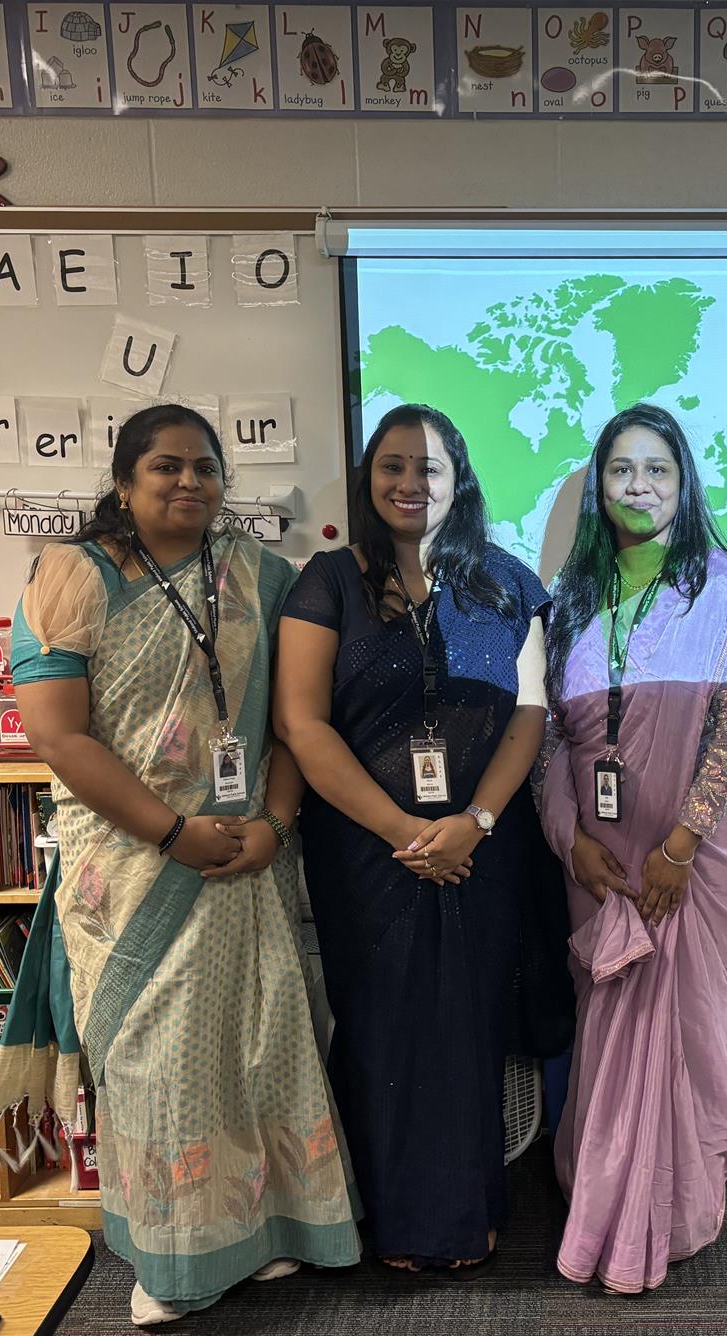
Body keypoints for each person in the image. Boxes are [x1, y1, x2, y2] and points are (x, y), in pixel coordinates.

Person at [0, 404, 359, 1327]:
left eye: (205, 467)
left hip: (245, 856)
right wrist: (170, 832)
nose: (189, 481)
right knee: (155, 1062)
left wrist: (275, 822)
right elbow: (60, 737)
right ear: (124, 482)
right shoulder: (72, 577)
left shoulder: (261, 576)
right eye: (166, 466)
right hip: (134, 867)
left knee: (258, 1044)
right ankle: (173, 1258)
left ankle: (266, 1229)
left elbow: (293, 721)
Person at [278, 403, 553, 1275]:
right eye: (393, 465)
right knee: (383, 1026)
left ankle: (465, 1217)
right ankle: (391, 1219)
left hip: (482, 847)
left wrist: (474, 823)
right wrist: (404, 829)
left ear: (458, 480)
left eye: (429, 467)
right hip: (367, 850)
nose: (410, 482)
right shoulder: (328, 582)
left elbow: (532, 713)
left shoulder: (507, 583)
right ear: (370, 477)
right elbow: (302, 723)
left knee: (469, 1026)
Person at [539, 403, 727, 1294]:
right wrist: (571, 840)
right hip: (597, 860)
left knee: (684, 1031)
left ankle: (672, 1211)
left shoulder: (722, 590)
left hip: (686, 860)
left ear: (683, 483)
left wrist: (679, 844)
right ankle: (603, 1200)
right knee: (605, 1032)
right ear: (599, 487)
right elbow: (551, 741)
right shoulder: (569, 603)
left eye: (657, 469)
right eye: (621, 469)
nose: (639, 485)